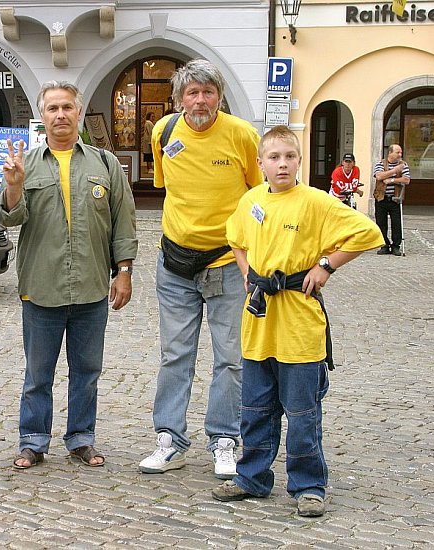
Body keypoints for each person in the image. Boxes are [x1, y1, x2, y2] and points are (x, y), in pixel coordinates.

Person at [213, 126, 384, 517]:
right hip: (259, 322)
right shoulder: (252, 199)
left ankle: (308, 485)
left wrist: (326, 265)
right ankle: (251, 476)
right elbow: (235, 237)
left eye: (289, 156)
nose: (282, 163)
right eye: (274, 157)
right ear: (260, 164)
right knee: (255, 409)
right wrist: (246, 270)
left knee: (303, 412)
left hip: (299, 322)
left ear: (299, 160)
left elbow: (368, 233)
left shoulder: (316, 202)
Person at [0, 81, 138, 470]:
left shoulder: (105, 164)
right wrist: (13, 186)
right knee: (38, 373)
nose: (60, 114)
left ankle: (81, 438)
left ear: (79, 112)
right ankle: (32, 440)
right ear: (42, 118)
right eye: (52, 109)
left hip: (92, 288)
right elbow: (11, 218)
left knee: (87, 371)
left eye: (67, 108)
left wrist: (123, 272)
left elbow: (122, 225)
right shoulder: (25, 163)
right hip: (41, 288)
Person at [141, 59, 262, 479]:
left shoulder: (242, 135)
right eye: (191, 93)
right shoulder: (164, 132)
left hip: (227, 262)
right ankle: (169, 438)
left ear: (220, 96)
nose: (199, 100)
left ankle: (224, 439)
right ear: (177, 99)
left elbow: (257, 194)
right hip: (175, 262)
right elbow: (166, 186)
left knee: (231, 358)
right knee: (176, 354)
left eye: (207, 92)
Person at [372, 144, 410, 256]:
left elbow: (406, 180)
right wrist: (395, 170)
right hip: (381, 197)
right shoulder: (380, 163)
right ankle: (384, 245)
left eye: (400, 152)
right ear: (390, 153)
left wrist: (391, 180)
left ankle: (396, 246)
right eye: (397, 152)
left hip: (395, 198)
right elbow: (379, 176)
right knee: (381, 223)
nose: (400, 155)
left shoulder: (403, 165)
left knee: (396, 223)